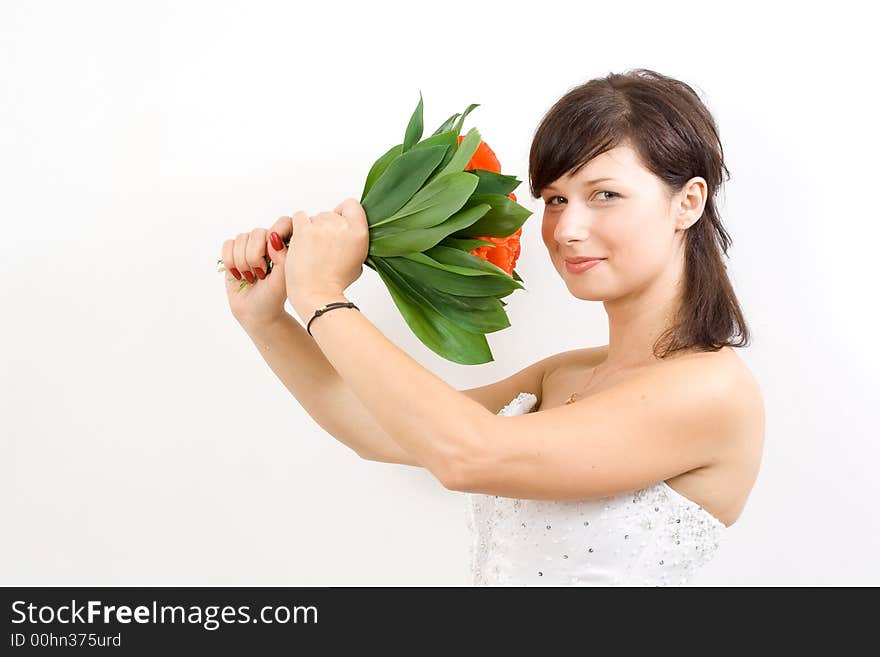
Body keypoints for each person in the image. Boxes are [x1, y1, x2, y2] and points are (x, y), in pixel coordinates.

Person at [219, 68, 765, 587]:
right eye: (555, 199)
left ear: (688, 202)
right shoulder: (564, 375)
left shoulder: (710, 389)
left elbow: (465, 454)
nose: (567, 229)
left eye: (605, 194)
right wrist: (267, 318)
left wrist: (321, 295)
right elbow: (377, 427)